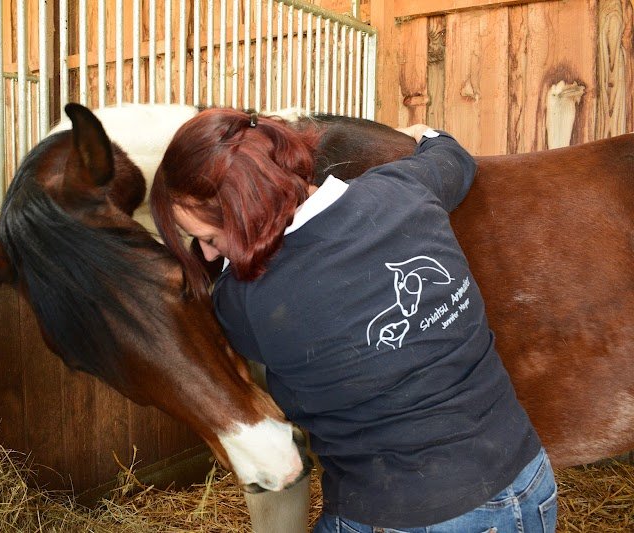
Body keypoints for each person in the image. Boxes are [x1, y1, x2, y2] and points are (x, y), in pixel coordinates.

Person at [150, 108, 557, 533]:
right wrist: (422, 134)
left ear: (249, 209)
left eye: (211, 238)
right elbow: (453, 157)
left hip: (404, 516)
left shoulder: (245, 303)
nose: (208, 255)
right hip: (529, 485)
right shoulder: (403, 187)